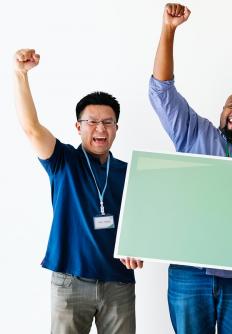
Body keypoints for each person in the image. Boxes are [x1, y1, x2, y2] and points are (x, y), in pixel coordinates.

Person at [148, 3, 232, 333]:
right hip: (190, 272)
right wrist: (169, 29)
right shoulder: (194, 132)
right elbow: (162, 91)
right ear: (222, 110)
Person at [14, 49, 143, 333]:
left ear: (116, 128)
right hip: (70, 281)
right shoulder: (63, 161)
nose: (100, 128)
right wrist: (21, 75)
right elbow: (32, 129)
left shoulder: (129, 171)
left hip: (118, 283)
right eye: (92, 122)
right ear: (78, 126)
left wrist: (139, 247)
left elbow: (143, 222)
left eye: (108, 122)